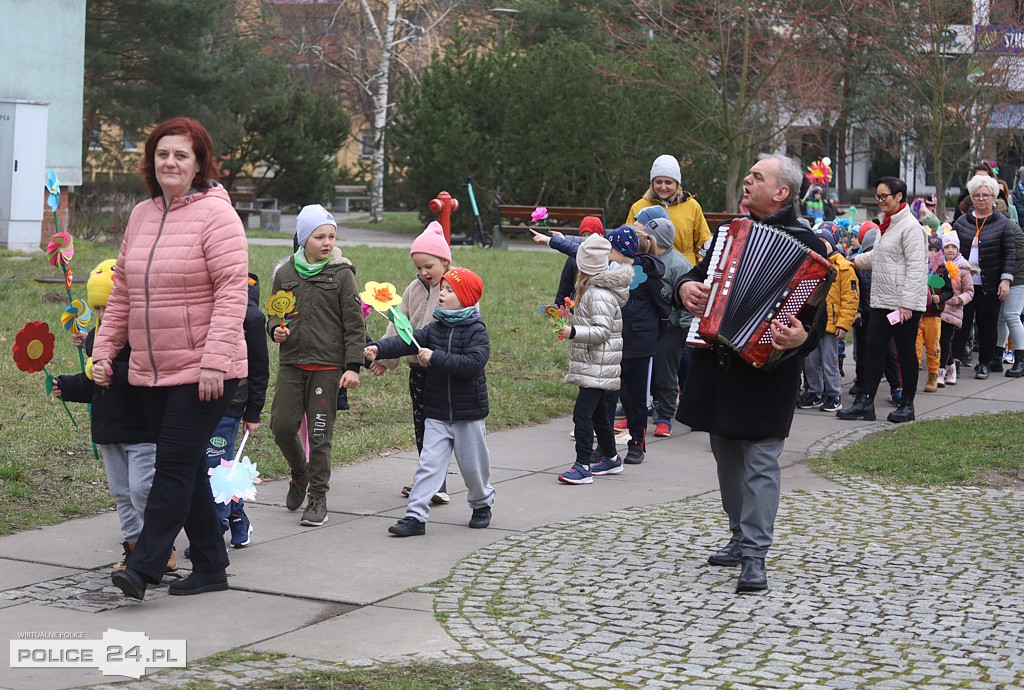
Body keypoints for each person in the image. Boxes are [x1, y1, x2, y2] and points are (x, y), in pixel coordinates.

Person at [93, 117, 249, 600]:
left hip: (205, 371)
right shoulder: (141, 215)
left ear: (199, 162)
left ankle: (145, 566)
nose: (170, 162)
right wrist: (104, 350)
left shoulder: (217, 216)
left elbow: (231, 294)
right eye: (163, 154)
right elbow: (121, 291)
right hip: (151, 368)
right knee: (185, 468)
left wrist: (213, 362)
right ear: (151, 161)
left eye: (181, 155)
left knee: (173, 467)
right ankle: (211, 566)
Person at [675, 154, 829, 594]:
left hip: (769, 372)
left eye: (757, 177)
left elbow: (816, 321)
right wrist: (685, 287)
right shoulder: (728, 233)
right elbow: (694, 277)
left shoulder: (812, 249)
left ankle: (756, 555)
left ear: (782, 192)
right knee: (725, 454)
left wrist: (801, 338)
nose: (747, 180)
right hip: (720, 364)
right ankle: (740, 535)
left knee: (761, 460)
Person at [365, 268, 495, 536]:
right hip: (436, 413)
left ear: (465, 298)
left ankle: (481, 503)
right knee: (428, 467)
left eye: (448, 290)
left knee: (474, 468)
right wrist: (379, 348)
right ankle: (415, 516)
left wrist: (435, 358)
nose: (442, 294)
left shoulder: (476, 331)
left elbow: (473, 364)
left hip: (467, 415)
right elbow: (406, 342)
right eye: (442, 289)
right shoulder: (433, 328)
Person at [53, 259, 159, 574]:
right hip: (110, 431)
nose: (103, 316)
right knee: (121, 491)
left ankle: (158, 545)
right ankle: (132, 546)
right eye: (97, 309)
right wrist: (69, 386)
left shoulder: (141, 338)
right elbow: (94, 386)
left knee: (142, 488)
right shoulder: (98, 342)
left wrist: (110, 371)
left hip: (141, 430)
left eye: (109, 308)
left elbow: (143, 375)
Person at [268, 204, 364, 527]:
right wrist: (274, 329)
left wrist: (352, 366)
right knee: (281, 426)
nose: (327, 243)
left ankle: (318, 497)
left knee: (320, 434)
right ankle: (300, 471)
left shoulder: (342, 274)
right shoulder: (285, 274)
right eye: (319, 236)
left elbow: (354, 325)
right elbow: (273, 313)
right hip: (292, 363)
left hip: (327, 367)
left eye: (332, 236)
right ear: (303, 237)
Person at [374, 221, 453, 503]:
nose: (423, 272)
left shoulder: (457, 286)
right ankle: (433, 481)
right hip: (418, 371)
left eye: (429, 266)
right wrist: (385, 357)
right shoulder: (413, 288)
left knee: (441, 427)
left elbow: (467, 322)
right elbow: (398, 325)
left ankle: (439, 480)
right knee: (422, 424)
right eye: (418, 267)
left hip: (444, 369)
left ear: (445, 260)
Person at [838, 176, 927, 424]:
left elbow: (917, 268)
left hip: (903, 305)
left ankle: (907, 405)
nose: (879, 201)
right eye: (877, 196)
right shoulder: (887, 224)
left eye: (883, 196)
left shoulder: (910, 227)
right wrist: (853, 261)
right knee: (873, 351)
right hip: (882, 300)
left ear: (899, 197)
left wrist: (907, 304)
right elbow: (881, 256)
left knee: (905, 352)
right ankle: (865, 402)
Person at [555, 234, 632, 485]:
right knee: (599, 414)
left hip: (598, 364)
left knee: (582, 416)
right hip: (595, 363)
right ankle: (610, 457)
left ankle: (582, 465)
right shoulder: (592, 290)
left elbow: (602, 331)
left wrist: (573, 332)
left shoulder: (598, 294)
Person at [199, 271, 269, 549]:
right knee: (204, 466)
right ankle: (234, 514)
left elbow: (260, 369)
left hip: (231, 405)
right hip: (197, 399)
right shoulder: (200, 308)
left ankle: (219, 529)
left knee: (218, 467)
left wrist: (253, 412)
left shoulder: (250, 318)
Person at [602, 226, 668, 467]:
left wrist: (649, 337)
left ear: (621, 250)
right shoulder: (608, 272)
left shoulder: (646, 276)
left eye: (610, 248)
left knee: (634, 398)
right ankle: (606, 447)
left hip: (639, 346)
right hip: (613, 343)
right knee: (608, 396)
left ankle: (637, 443)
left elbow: (664, 310)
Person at [949, 175, 1015, 380]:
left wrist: (1006, 279)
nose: (981, 199)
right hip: (964, 284)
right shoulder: (962, 222)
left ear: (994, 197)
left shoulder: (1004, 224)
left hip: (990, 283)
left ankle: (984, 363)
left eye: (985, 195)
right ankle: (955, 362)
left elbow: (1009, 253)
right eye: (976, 195)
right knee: (961, 323)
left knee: (988, 324)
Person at [644, 217, 694, 437]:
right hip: (648, 326)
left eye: (647, 237)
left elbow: (688, 300)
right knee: (645, 371)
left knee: (665, 371)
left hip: (672, 329)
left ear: (657, 240)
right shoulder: (644, 259)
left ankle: (665, 415)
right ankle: (639, 410)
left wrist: (685, 328)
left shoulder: (678, 264)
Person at [798, 229, 857, 412]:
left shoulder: (844, 268)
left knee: (829, 361)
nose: (822, 243)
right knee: (810, 360)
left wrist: (844, 324)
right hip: (813, 323)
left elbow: (850, 298)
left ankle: (834, 394)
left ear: (833, 243)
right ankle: (815, 392)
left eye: (825, 240)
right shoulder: (812, 264)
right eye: (818, 240)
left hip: (831, 324)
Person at [626, 154, 711, 266]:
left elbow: (703, 243)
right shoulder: (639, 206)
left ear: (677, 183)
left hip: (684, 270)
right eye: (659, 182)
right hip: (649, 270)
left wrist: (701, 270)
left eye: (668, 182)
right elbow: (628, 240)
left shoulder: (692, 206)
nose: (663, 187)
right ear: (652, 183)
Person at [937, 229, 976, 386]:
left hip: (953, 309)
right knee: (938, 341)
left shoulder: (964, 269)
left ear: (958, 249)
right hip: (937, 307)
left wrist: (958, 299)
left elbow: (969, 291)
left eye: (953, 247)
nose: (950, 250)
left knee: (944, 340)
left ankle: (941, 372)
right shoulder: (937, 266)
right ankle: (951, 365)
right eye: (947, 247)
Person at [916, 237, 953, 392]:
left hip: (934, 314)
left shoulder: (942, 270)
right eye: (930, 249)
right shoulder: (917, 266)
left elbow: (949, 290)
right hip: (917, 314)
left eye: (936, 250)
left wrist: (941, 297)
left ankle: (933, 375)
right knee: (914, 347)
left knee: (933, 346)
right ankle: (908, 378)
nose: (932, 253)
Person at [993, 204, 1024, 377]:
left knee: (1012, 315)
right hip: (1011, 274)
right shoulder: (1002, 223)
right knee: (1002, 317)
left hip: (1019, 275)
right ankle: (997, 357)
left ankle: (1021, 359)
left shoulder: (1004, 225)